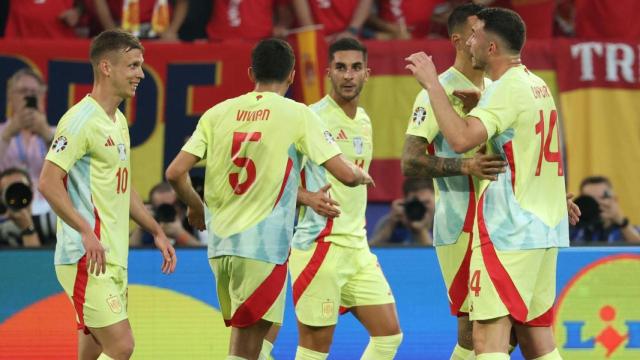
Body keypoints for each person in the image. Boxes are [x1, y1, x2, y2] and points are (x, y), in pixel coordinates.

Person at [165, 38, 372, 360]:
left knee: (247, 342)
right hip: (261, 250)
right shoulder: (297, 114)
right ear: (292, 76)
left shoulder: (217, 113)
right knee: (249, 349)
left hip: (220, 248)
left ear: (251, 73)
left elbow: (175, 172)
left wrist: (196, 207)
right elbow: (345, 174)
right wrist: (361, 175)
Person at [405, 7, 569, 360]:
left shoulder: (502, 89)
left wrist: (432, 82)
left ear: (491, 47)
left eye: (477, 35)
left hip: (506, 232)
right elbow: (528, 146)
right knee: (535, 337)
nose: (471, 42)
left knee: (487, 338)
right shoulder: (536, 84)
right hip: (542, 228)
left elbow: (463, 139)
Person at [39, 29, 177, 360]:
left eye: (140, 66)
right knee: (122, 345)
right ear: (106, 67)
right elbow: (48, 181)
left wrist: (156, 230)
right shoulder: (79, 120)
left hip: (112, 256)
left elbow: (123, 189)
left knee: (92, 351)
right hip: (86, 257)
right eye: (132, 66)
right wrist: (85, 230)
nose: (141, 74)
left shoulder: (117, 122)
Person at [265, 38, 403, 360]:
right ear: (328, 72)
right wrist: (305, 197)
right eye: (340, 67)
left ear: (367, 74)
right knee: (314, 349)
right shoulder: (308, 117)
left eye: (356, 68)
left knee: (389, 337)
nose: (348, 75)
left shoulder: (365, 120)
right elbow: (268, 175)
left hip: (357, 247)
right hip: (319, 245)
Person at [402, 4, 510, 359]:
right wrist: (465, 166)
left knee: (507, 331)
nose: (488, 40)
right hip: (461, 227)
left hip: (502, 224)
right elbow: (411, 161)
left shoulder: (498, 87)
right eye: (479, 32)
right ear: (459, 40)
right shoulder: (436, 91)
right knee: (472, 331)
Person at [0, 68, 56, 216]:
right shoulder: (2, 133)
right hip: (8, 210)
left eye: (34, 92)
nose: (28, 96)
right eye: (23, 91)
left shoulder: (58, 134)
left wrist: (47, 136)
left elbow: (70, 174)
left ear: (42, 96)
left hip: (49, 212)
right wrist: (7, 135)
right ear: (11, 96)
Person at [571, 176, 640, 244]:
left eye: (602, 198)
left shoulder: (629, 231)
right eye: (590, 199)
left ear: (614, 200)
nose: (597, 203)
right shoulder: (573, 232)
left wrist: (622, 222)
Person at [369, 177, 435, 246]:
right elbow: (370, 250)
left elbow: (437, 256)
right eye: (415, 203)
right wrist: (390, 226)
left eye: (426, 202)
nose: (421, 207)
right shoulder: (391, 222)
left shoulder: (442, 225)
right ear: (405, 201)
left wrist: (421, 231)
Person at [0, 167, 56, 247]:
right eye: (10, 192)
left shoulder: (48, 227)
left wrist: (27, 228)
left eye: (21, 189)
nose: (17, 197)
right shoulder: (2, 230)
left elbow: (35, 259)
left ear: (32, 194)